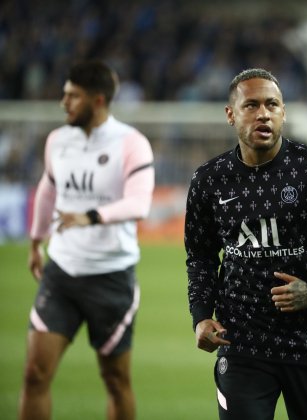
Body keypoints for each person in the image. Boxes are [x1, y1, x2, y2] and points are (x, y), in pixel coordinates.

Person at [185, 68, 307, 420]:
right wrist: (201, 316)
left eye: (272, 104)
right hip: (241, 345)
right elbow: (200, 257)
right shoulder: (209, 180)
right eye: (251, 105)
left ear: (283, 113)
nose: (263, 113)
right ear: (231, 114)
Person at [20, 60, 154, 420]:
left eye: (73, 96)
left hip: (111, 276)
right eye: (65, 94)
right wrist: (36, 241)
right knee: (34, 375)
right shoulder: (57, 141)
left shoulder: (132, 143)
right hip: (62, 272)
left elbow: (139, 204)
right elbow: (48, 188)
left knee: (115, 380)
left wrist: (90, 216)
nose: (63, 102)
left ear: (97, 100)